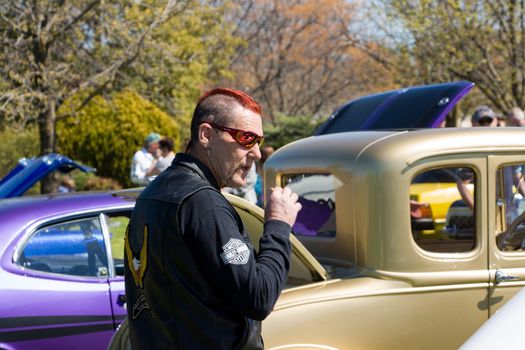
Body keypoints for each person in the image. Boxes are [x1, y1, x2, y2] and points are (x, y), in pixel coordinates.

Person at [124, 88, 302, 349]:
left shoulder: (153, 192)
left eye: (259, 141)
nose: (256, 153)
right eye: (246, 138)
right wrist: (278, 224)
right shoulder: (204, 204)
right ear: (206, 134)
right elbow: (259, 297)